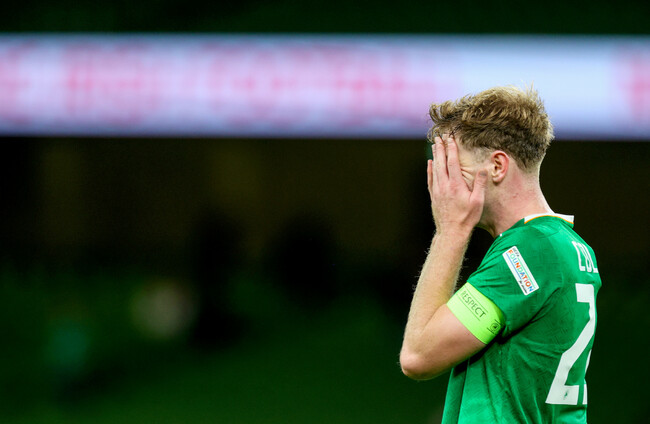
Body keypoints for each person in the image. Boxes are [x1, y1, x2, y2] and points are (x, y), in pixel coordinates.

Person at [399, 86, 601, 423]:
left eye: (455, 168)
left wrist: (450, 229)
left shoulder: (529, 252)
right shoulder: (568, 245)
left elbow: (417, 356)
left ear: (496, 166)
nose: (444, 186)